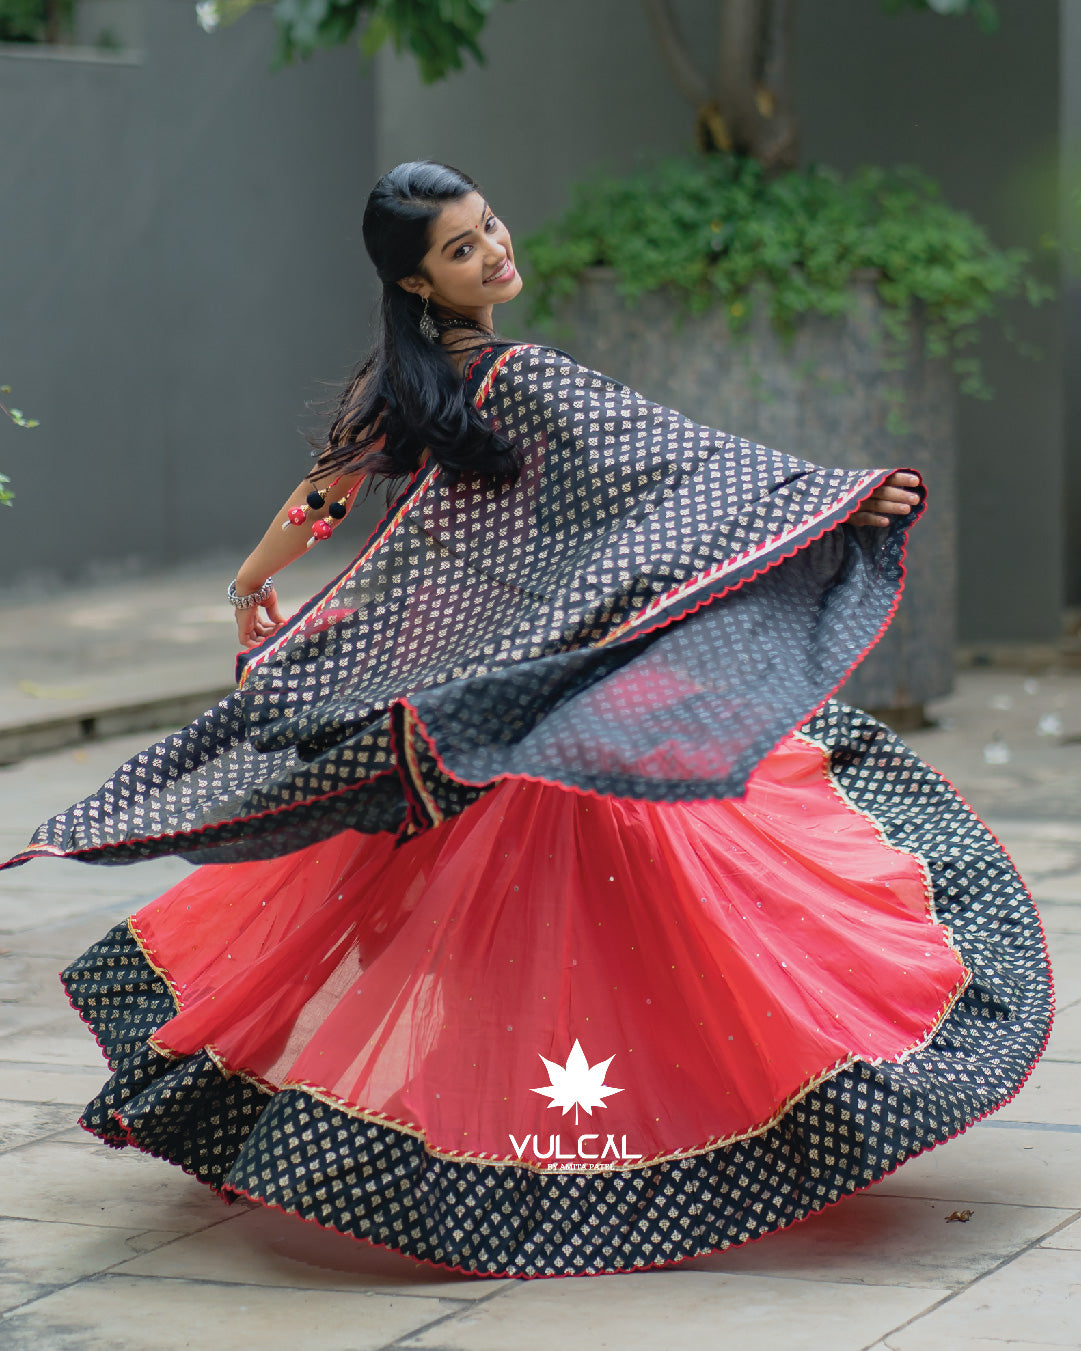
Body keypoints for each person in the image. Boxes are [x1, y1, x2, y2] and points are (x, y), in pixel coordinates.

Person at [3, 161, 1052, 1281]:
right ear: (417, 279)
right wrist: (839, 496)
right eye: (461, 248)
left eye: (489, 225)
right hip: (518, 702)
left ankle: (494, 1126)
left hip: (481, 697)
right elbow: (685, 469)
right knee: (606, 926)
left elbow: (346, 493)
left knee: (479, 921)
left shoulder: (415, 378)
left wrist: (251, 582)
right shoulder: (510, 374)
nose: (494, 250)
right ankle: (635, 1133)